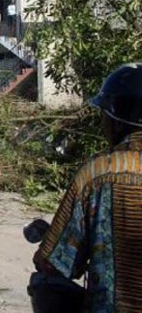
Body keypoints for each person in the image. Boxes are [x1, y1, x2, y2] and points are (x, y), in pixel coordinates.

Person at [31, 63, 142, 312]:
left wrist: (48, 248)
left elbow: (55, 263)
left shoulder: (97, 172)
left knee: (44, 284)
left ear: (116, 120)